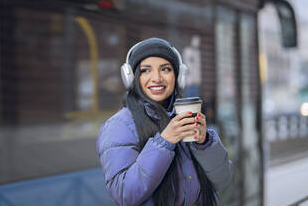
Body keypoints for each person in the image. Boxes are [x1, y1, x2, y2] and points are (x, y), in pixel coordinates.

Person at [97, 37, 233, 206]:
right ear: (131, 77)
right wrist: (164, 142)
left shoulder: (182, 117)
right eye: (146, 70)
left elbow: (223, 179)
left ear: (178, 76)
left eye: (165, 69)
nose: (157, 78)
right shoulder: (118, 126)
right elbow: (125, 194)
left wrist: (204, 143)